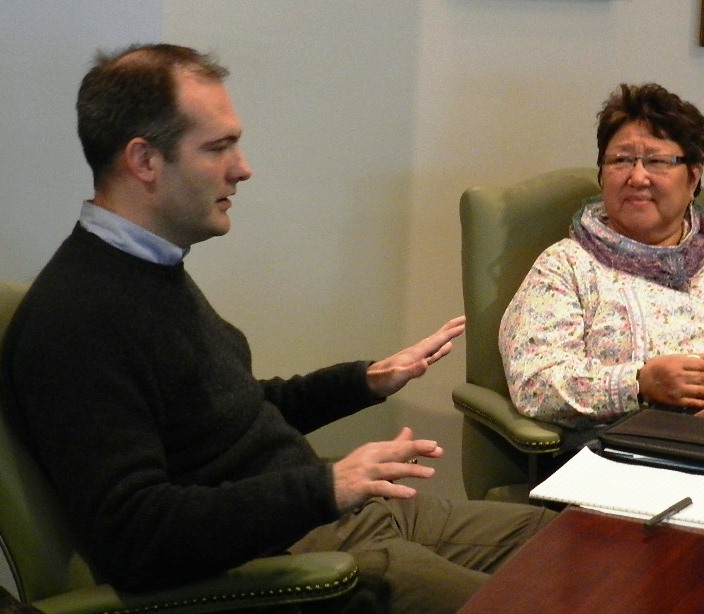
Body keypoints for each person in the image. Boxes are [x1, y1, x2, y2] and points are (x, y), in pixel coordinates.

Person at [0, 44, 554, 614]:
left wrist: (363, 381)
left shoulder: (149, 270)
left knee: (569, 546)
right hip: (278, 568)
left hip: (332, 522)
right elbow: (134, 537)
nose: (242, 168)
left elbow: (230, 418)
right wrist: (324, 488)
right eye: (218, 148)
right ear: (144, 161)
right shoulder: (76, 320)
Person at [500, 82, 704, 430]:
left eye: (657, 161)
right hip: (629, 451)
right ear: (601, 174)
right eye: (621, 160)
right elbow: (535, 381)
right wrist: (640, 383)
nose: (637, 176)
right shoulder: (565, 266)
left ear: (693, 178)